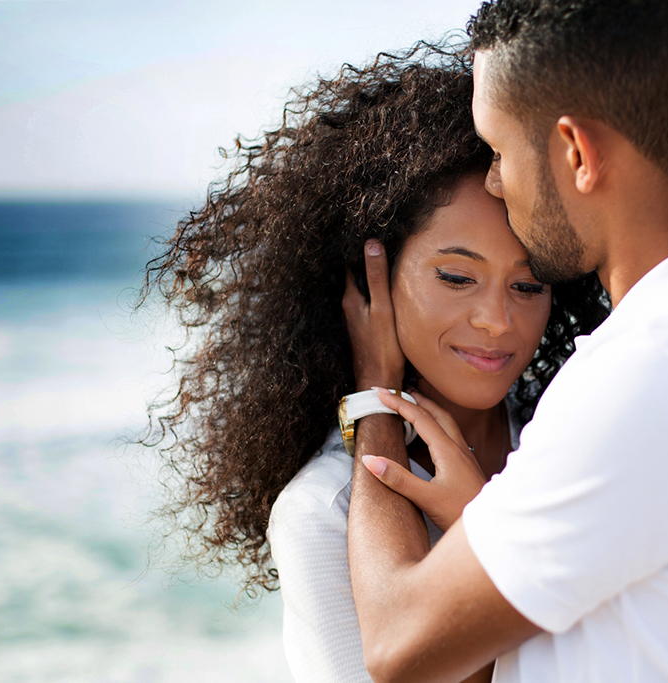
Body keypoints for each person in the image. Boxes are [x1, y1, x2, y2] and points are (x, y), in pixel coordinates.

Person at [343, 1, 668, 682]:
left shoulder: (649, 371)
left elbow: (398, 644)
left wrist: (375, 399)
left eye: (499, 151)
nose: (494, 181)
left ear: (577, 152)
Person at [138, 43, 608, 683]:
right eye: (456, 277)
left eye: (528, 285)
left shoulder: (575, 444)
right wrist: (478, 538)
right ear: (371, 278)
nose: (497, 320)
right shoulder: (322, 512)